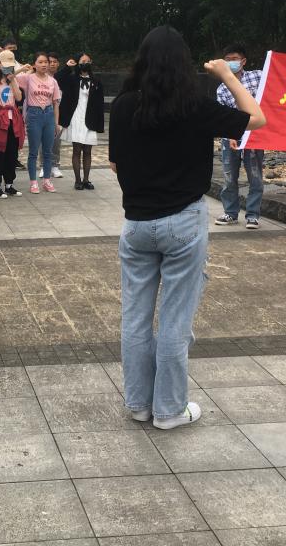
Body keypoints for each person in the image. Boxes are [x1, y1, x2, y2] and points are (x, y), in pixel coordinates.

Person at [109, 25, 265, 429]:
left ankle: (139, 404)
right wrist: (228, 76)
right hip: (183, 222)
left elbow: (115, 163)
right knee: (175, 321)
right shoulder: (194, 106)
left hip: (137, 224)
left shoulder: (124, 106)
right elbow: (257, 118)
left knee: (135, 319)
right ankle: (169, 410)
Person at [214, 43, 265, 228]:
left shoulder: (257, 77)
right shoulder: (221, 89)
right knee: (229, 176)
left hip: (254, 135)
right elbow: (222, 116)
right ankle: (230, 213)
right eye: (227, 60)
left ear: (243, 61)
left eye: (234, 59)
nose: (230, 63)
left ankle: (253, 215)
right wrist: (230, 136)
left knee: (255, 176)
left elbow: (273, 82)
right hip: (231, 137)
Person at [57, 53, 106, 190]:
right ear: (78, 63)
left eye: (88, 61)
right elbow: (57, 79)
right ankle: (77, 180)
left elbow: (100, 103)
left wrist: (99, 123)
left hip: (90, 117)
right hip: (76, 117)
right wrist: (67, 67)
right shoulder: (71, 79)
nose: (85, 63)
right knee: (77, 150)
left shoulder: (96, 81)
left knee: (88, 150)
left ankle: (86, 180)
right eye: (83, 61)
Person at [16, 53, 62, 193]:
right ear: (34, 64)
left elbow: (56, 103)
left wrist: (56, 123)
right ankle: (33, 182)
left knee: (48, 151)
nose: (44, 64)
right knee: (33, 151)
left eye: (46, 62)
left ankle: (47, 181)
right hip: (34, 114)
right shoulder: (28, 78)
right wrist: (26, 69)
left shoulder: (53, 81)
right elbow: (11, 77)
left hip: (48, 114)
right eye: (40, 62)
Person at [0, 51, 25, 198]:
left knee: (12, 152)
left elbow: (18, 97)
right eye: (5, 65)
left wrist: (12, 79)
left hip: (12, 118)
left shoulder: (13, 79)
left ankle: (9, 184)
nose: (8, 68)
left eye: (10, 66)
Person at [45, 52, 65, 179]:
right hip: (43, 113)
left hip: (58, 113)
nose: (52, 64)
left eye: (54, 62)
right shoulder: (41, 78)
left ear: (58, 64)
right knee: (43, 141)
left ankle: (55, 165)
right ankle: (43, 166)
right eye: (50, 62)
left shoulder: (62, 78)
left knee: (56, 141)